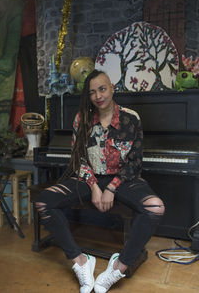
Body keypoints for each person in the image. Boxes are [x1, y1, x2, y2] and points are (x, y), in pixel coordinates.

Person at [35, 69, 165, 293]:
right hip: (88, 178)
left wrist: (112, 188)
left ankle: (118, 266)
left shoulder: (130, 118)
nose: (98, 96)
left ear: (112, 88)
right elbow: (79, 158)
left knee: (156, 207)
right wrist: (94, 186)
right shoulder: (81, 119)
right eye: (93, 92)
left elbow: (134, 162)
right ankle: (81, 261)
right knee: (43, 202)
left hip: (123, 179)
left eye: (102, 89)